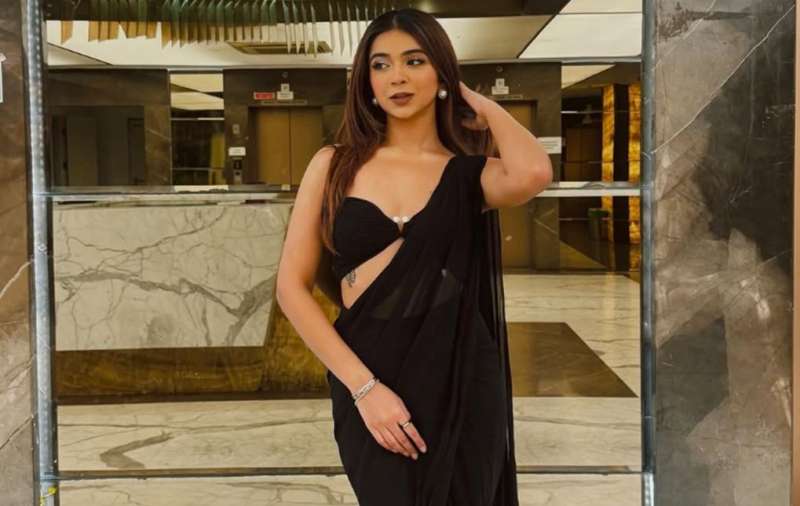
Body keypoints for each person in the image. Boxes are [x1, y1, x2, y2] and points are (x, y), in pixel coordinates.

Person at [275, 8, 552, 506]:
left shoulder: (468, 174)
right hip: (368, 369)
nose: (396, 76)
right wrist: (364, 389)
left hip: (461, 372)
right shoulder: (333, 165)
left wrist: (482, 105)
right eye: (380, 65)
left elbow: (533, 172)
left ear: (441, 73)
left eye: (415, 60)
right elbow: (291, 287)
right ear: (366, 82)